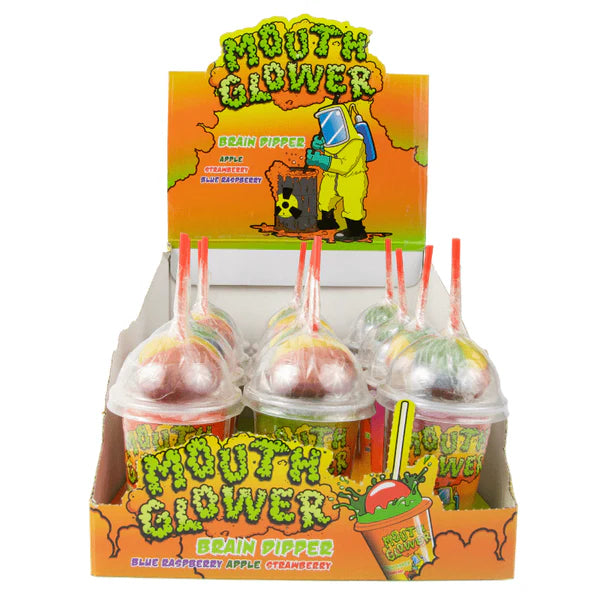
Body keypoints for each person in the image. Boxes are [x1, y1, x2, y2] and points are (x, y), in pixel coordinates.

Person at [306, 103, 369, 242]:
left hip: (352, 179)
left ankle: (356, 230)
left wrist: (320, 160)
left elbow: (344, 166)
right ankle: (328, 221)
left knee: (352, 204)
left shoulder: (355, 143)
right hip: (332, 177)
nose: (330, 127)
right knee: (325, 198)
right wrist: (319, 146)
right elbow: (332, 151)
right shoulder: (331, 142)